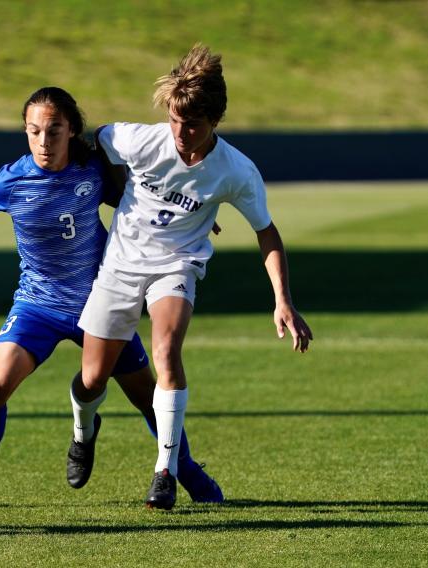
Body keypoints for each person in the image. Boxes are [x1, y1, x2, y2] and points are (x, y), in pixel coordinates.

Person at [0, 86, 222, 510]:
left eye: (53, 131)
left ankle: (188, 471)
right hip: (38, 304)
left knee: (147, 396)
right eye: (34, 132)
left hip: (102, 303)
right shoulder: (10, 180)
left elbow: (140, 204)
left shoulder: (92, 170)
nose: (43, 142)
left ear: (71, 131)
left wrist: (189, 219)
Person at [69, 44, 314, 510]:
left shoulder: (237, 172)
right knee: (93, 378)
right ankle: (83, 431)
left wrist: (282, 299)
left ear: (216, 120)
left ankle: (165, 471)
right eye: (176, 120)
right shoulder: (140, 139)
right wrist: (112, 191)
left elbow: (267, 232)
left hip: (177, 264)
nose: (182, 132)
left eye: (194, 124)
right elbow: (93, 140)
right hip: (120, 263)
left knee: (166, 350)